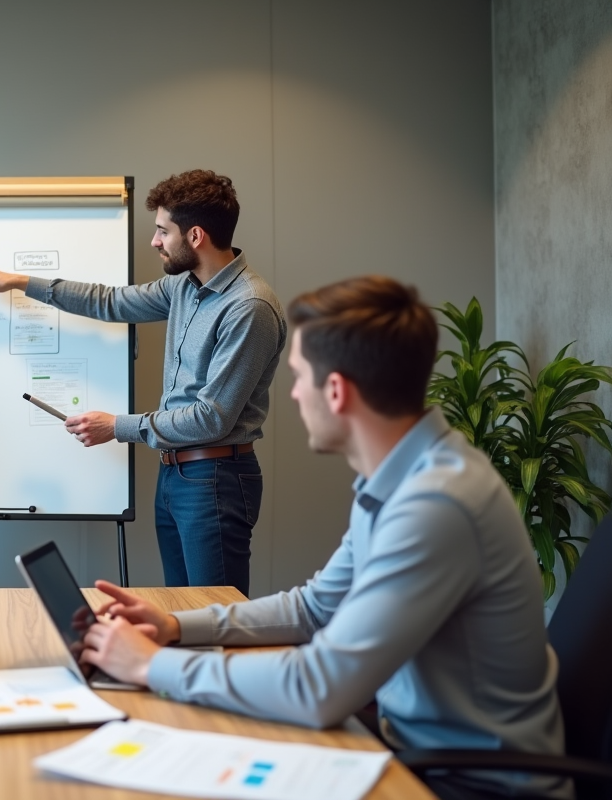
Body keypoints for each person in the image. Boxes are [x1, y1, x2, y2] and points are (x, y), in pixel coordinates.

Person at [78, 276, 570, 800]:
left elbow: (322, 687)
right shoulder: (402, 477)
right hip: (412, 755)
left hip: (466, 785)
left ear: (336, 391)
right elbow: (315, 609)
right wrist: (174, 626)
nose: (291, 394)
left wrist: (151, 665)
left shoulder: (437, 504)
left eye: (297, 378)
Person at [0, 170, 284, 594]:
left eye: (162, 231)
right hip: (176, 474)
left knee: (216, 616)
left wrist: (116, 426)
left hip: (216, 476)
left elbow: (212, 419)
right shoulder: (185, 288)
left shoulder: (249, 307)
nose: (154, 241)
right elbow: (110, 301)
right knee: (183, 613)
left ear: (195, 236)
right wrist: (22, 282)